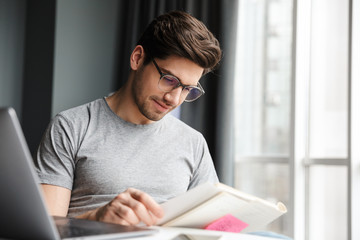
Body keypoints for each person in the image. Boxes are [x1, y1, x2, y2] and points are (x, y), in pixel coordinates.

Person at [35, 10, 222, 227]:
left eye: (187, 89)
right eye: (169, 79)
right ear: (137, 58)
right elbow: (45, 229)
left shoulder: (194, 143)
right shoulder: (71, 127)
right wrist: (96, 218)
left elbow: (212, 225)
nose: (174, 98)